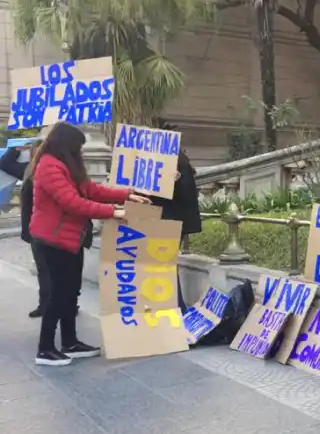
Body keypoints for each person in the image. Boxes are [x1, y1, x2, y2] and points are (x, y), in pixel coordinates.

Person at [29, 123, 149, 366]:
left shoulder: (66, 165)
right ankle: (45, 349)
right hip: (53, 240)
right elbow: (72, 203)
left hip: (71, 238)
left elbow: (90, 190)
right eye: (78, 147)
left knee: (71, 292)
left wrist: (126, 194)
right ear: (67, 145)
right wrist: (114, 212)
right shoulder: (49, 166)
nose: (80, 152)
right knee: (57, 294)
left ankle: (70, 343)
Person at [150, 147, 202, 312]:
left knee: (164, 268)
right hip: (159, 221)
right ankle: (173, 307)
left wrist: (177, 181)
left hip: (169, 222)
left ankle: (178, 309)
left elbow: (187, 196)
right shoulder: (153, 165)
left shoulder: (179, 166)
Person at [0, 138, 46, 318]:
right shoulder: (28, 170)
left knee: (55, 271)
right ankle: (46, 304)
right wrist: (16, 148)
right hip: (35, 228)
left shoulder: (55, 171)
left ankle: (65, 304)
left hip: (51, 229)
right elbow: (5, 162)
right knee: (44, 270)